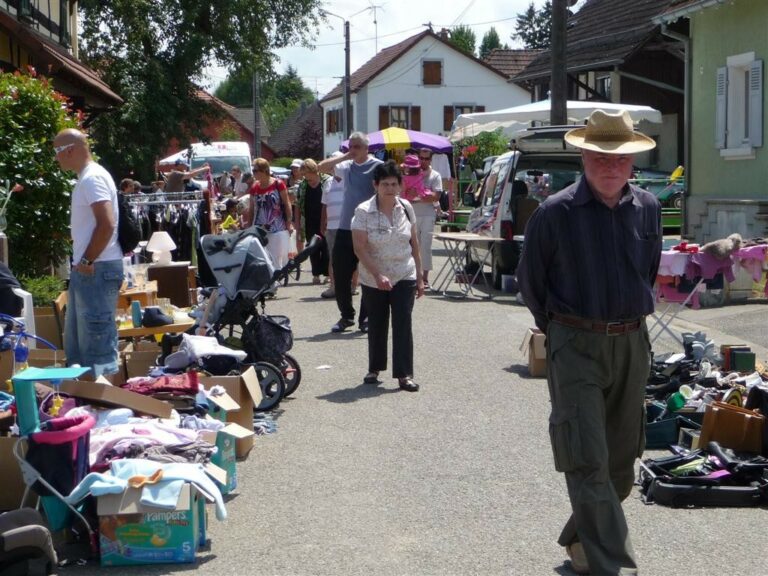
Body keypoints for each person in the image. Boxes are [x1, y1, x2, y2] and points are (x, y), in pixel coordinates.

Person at [516, 110, 661, 576]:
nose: (610, 166)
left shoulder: (648, 207)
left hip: (632, 343)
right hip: (575, 344)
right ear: (583, 156)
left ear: (632, 161)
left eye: (619, 158)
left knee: (620, 464)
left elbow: (648, 270)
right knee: (587, 458)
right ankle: (615, 567)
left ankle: (581, 538)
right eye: (600, 156)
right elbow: (531, 283)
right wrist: (564, 331)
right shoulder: (554, 213)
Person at [53, 128, 124, 379]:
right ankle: (91, 399)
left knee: (97, 347)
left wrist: (86, 260)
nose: (56, 157)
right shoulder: (89, 177)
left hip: (96, 268)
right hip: (92, 269)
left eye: (57, 151)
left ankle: (105, 400)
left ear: (70, 150)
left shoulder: (92, 178)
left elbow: (107, 224)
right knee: (81, 348)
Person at [351, 160, 424, 392]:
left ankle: (404, 374)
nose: (390, 188)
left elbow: (415, 243)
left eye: (394, 184)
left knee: (403, 322)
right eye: (385, 184)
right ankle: (374, 368)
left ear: (400, 185)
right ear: (375, 185)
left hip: (404, 273)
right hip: (374, 277)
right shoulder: (363, 211)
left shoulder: (406, 208)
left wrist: (420, 276)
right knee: (377, 322)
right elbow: (359, 248)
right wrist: (377, 274)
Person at [318, 133, 383, 333]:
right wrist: (346, 156)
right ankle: (346, 316)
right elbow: (321, 167)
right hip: (346, 227)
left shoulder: (378, 166)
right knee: (340, 273)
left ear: (366, 148)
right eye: (350, 146)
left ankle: (366, 318)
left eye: (357, 147)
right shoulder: (346, 166)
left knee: (369, 275)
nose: (353, 150)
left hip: (369, 228)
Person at [246, 157, 293, 268]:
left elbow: (287, 204)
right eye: (253, 170)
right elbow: (251, 209)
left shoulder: (278, 184)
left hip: (277, 227)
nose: (253, 173)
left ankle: (278, 275)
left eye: (256, 170)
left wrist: (289, 222)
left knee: (277, 257)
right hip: (260, 228)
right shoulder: (254, 187)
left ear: (265, 170)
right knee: (264, 257)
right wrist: (249, 227)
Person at [413, 148, 443, 288]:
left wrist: (417, 196)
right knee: (413, 246)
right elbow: (405, 194)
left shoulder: (435, 175)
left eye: (426, 159)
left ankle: (424, 277)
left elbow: (436, 196)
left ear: (430, 160)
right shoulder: (411, 174)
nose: (423, 161)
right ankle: (415, 276)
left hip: (428, 215)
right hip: (412, 214)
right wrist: (425, 195)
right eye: (421, 158)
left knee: (425, 246)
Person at [298, 159, 330, 285]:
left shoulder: (326, 181)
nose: (304, 177)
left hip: (326, 219)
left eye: (306, 173)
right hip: (309, 221)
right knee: (312, 248)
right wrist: (297, 225)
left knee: (326, 248)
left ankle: (328, 274)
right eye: (303, 174)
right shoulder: (303, 185)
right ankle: (316, 274)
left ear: (313, 170)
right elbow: (298, 204)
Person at [320, 151, 345, 299]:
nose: (334, 167)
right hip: (331, 226)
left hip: (347, 225)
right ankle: (334, 287)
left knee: (351, 257)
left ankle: (351, 286)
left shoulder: (349, 179)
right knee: (333, 258)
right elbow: (324, 205)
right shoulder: (327, 182)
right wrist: (322, 222)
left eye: (336, 164)